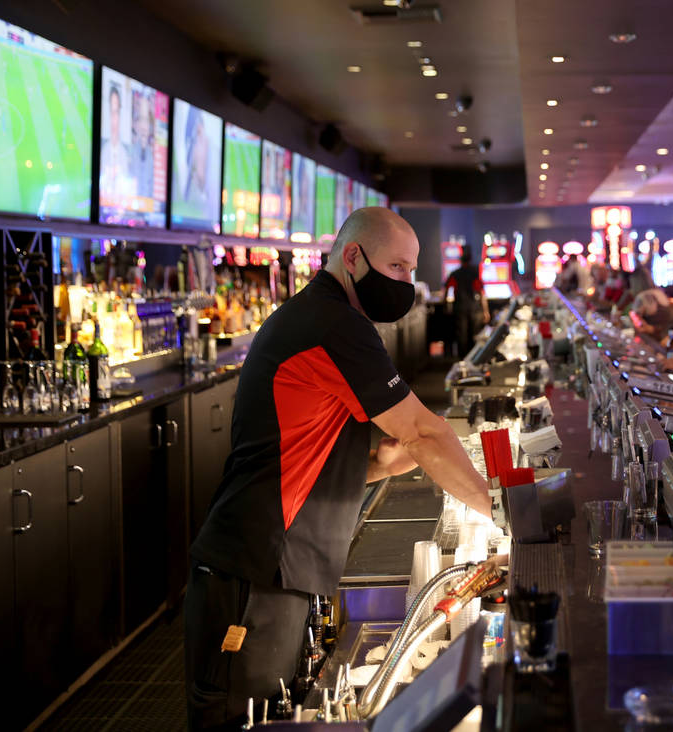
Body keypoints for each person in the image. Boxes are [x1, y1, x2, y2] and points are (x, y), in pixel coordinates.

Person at [185, 208, 494, 729]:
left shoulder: (326, 317)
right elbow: (421, 433)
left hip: (278, 562)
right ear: (353, 256)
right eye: (396, 268)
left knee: (276, 714)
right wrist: (503, 509)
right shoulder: (331, 323)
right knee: (240, 719)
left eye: (412, 271)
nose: (406, 284)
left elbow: (344, 455)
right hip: (254, 566)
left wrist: (395, 461)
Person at [445, 245, 489, 358]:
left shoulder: (455, 274)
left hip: (459, 308)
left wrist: (447, 306)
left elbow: (446, 291)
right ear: (470, 260)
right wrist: (486, 311)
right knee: (474, 336)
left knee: (461, 337)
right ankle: (473, 359)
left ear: (460, 260)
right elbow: (481, 293)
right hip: (474, 309)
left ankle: (462, 360)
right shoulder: (475, 273)